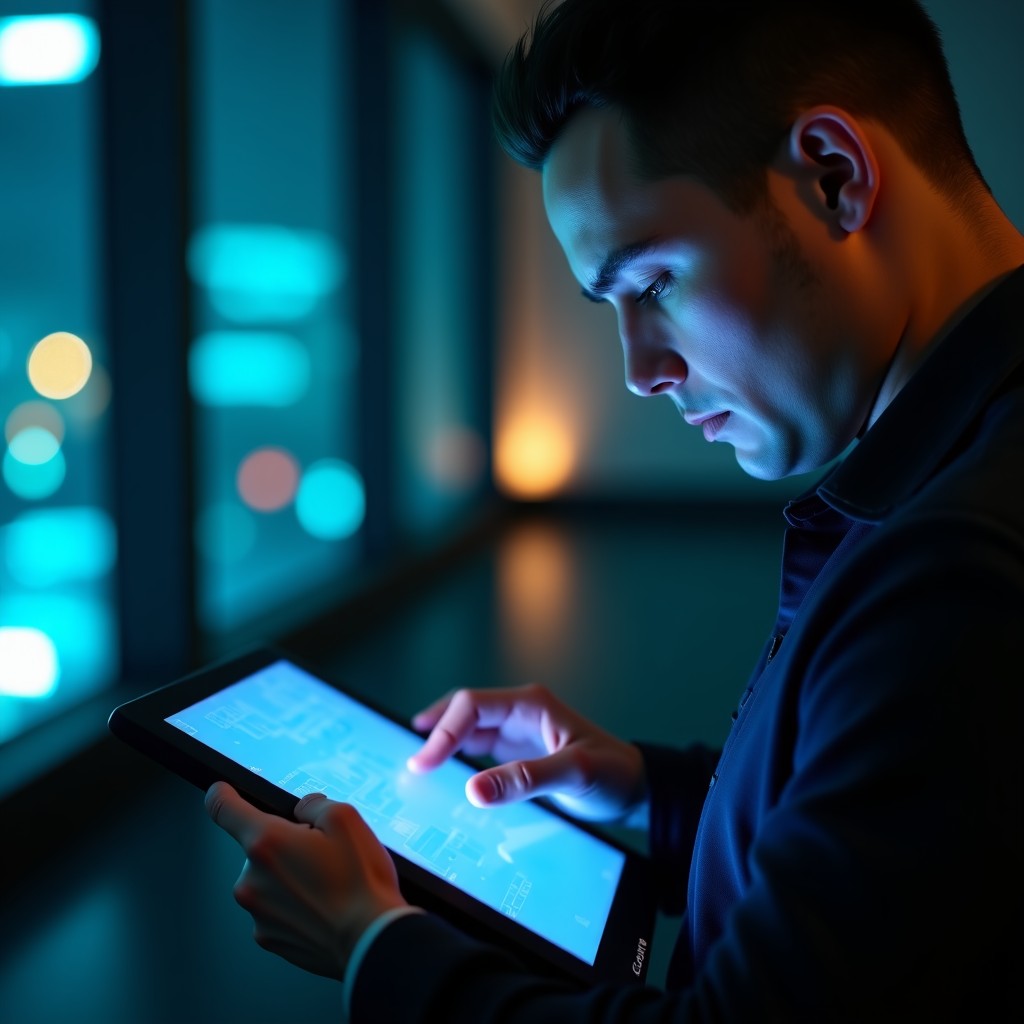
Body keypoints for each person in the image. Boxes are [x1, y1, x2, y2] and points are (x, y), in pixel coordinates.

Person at [204, 1, 1024, 1020]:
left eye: (653, 283)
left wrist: (379, 949)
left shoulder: (960, 568)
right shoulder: (964, 481)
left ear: (833, 176)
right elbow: (909, 860)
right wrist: (645, 789)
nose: (639, 370)